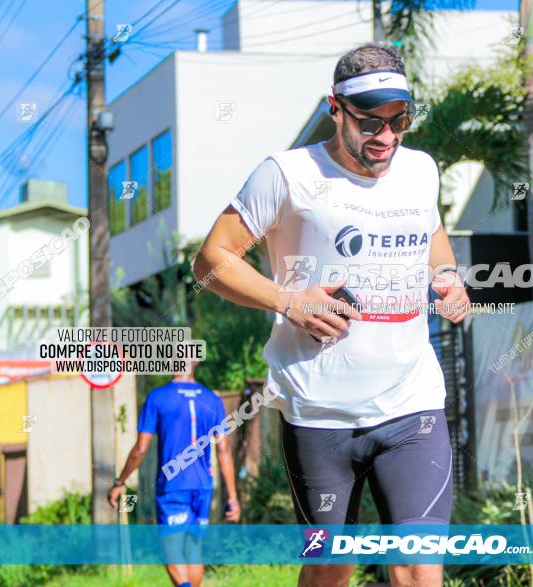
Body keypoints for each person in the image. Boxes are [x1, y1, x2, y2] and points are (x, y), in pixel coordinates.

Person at [193, 43, 470, 587]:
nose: (387, 137)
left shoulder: (420, 171)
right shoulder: (287, 174)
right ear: (335, 109)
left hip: (411, 405)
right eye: (370, 122)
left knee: (418, 567)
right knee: (330, 570)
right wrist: (289, 301)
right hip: (317, 415)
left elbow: (432, 233)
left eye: (400, 121)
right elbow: (211, 261)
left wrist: (447, 277)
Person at [108, 364, 241, 587]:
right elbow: (223, 451)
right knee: (193, 549)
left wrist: (119, 482)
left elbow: (141, 449)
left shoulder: (157, 398)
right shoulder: (212, 400)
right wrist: (232, 498)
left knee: (170, 552)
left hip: (173, 486)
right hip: (203, 486)